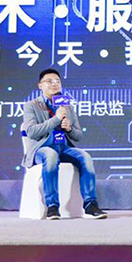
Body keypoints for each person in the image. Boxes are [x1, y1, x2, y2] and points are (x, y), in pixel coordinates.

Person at [21, 68, 107, 220]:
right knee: (51, 155)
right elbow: (32, 132)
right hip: (41, 149)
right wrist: (56, 119)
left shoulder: (67, 107)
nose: (54, 84)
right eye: (49, 81)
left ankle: (90, 205)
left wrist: (69, 128)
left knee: (85, 157)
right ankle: (52, 206)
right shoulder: (31, 105)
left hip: (63, 148)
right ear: (40, 85)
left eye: (57, 81)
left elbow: (78, 135)